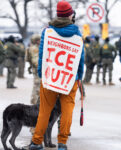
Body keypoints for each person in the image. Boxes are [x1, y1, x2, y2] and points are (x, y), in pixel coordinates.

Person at [28, 1, 84, 150]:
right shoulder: (78, 34)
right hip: (69, 79)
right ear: (70, 15)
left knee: (44, 110)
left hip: (50, 77)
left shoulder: (47, 32)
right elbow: (80, 59)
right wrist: (78, 76)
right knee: (67, 111)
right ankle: (62, 143)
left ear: (58, 15)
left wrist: (41, 74)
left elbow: (42, 54)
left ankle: (37, 142)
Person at [26, 34, 41, 104]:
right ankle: (35, 101)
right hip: (38, 69)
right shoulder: (35, 48)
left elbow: (27, 59)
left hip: (34, 68)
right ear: (37, 41)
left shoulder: (30, 48)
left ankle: (34, 99)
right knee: (38, 85)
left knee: (36, 84)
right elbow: (36, 60)